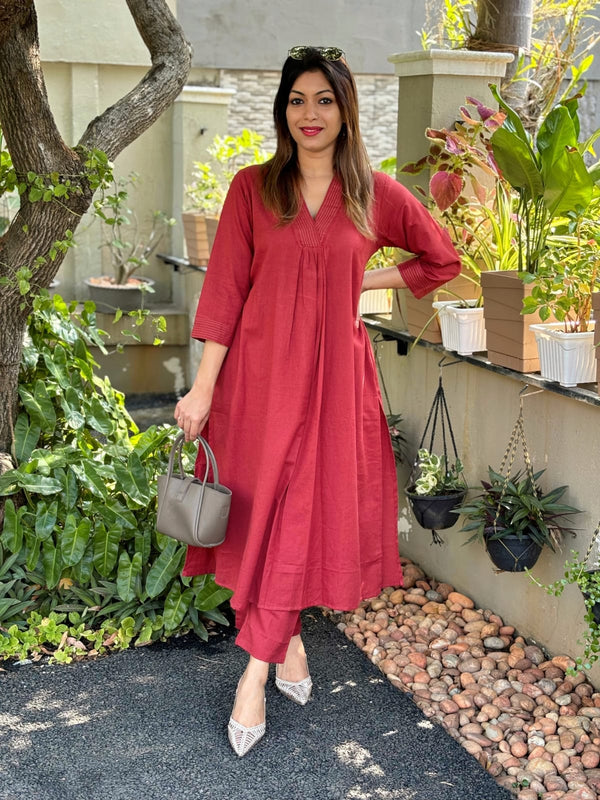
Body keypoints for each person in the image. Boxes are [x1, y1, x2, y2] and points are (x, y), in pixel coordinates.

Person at [174, 45, 461, 757]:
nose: (311, 114)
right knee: (268, 515)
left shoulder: (374, 193)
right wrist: (204, 388)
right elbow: (225, 294)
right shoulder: (251, 189)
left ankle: (254, 675)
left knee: (299, 512)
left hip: (335, 388)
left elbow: (441, 258)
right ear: (283, 109)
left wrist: (364, 282)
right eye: (298, 100)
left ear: (345, 109)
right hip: (258, 387)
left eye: (324, 100)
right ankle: (290, 638)